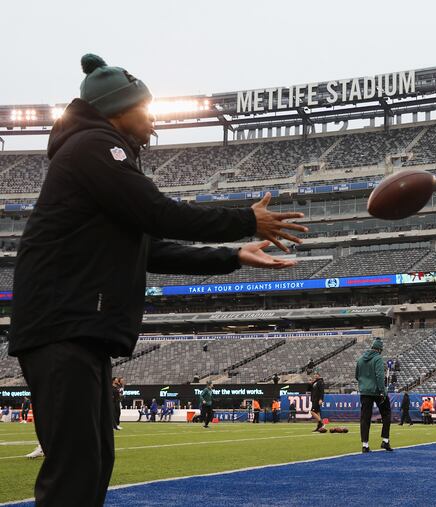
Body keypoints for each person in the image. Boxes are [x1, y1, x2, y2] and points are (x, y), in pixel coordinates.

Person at [7, 54, 307, 506]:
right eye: (146, 110)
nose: (152, 121)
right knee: (75, 470)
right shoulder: (94, 146)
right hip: (62, 326)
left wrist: (232, 256)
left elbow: (151, 246)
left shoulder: (97, 151)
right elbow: (158, 213)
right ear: (119, 109)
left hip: (77, 329)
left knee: (91, 467)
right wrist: (244, 220)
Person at [355, 338, 392, 452]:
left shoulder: (360, 359)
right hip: (376, 391)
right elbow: (380, 376)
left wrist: (363, 384)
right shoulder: (378, 359)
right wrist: (383, 391)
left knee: (365, 418)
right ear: (380, 349)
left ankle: (365, 445)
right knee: (386, 414)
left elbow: (356, 376)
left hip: (365, 392)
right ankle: (385, 440)